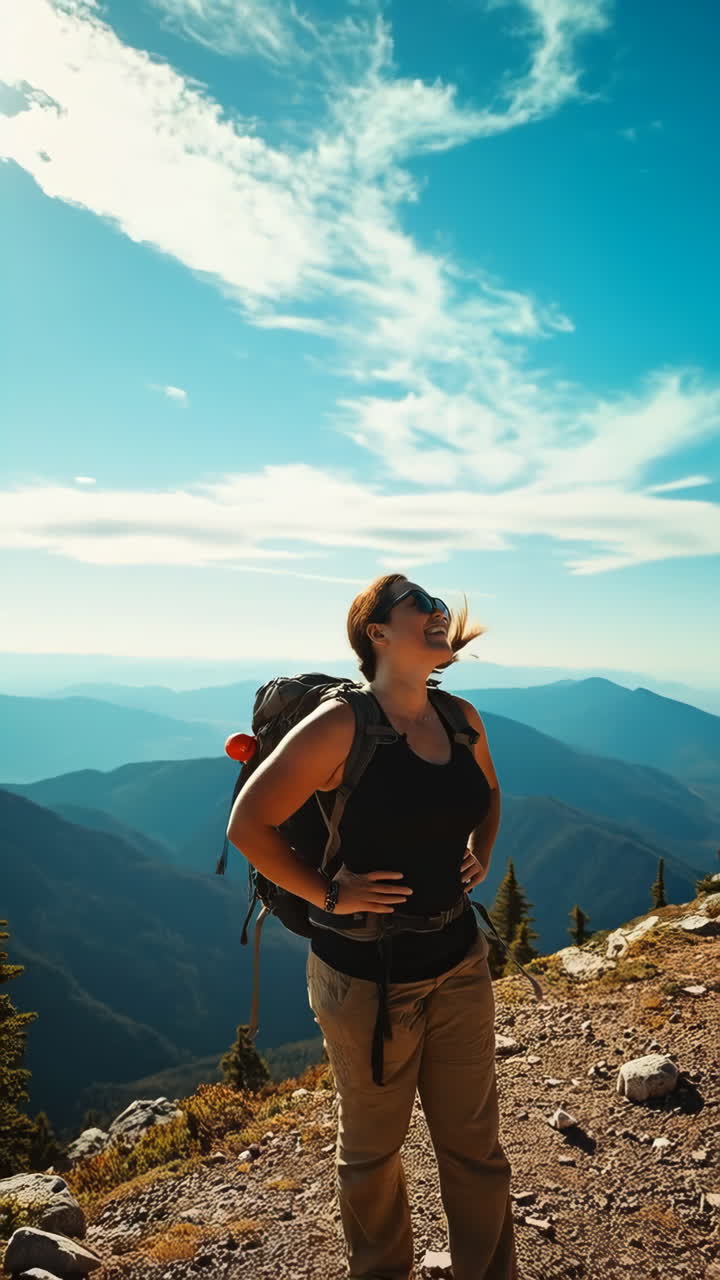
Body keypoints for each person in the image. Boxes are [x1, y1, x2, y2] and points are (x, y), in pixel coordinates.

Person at [227, 573, 517, 1280]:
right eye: (419, 604)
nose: (438, 612)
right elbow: (249, 825)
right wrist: (330, 894)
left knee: (475, 1145)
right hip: (364, 979)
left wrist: (480, 852)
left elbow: (490, 794)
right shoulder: (341, 726)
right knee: (372, 1154)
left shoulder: (460, 717)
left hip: (457, 959)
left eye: (441, 604)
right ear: (377, 633)